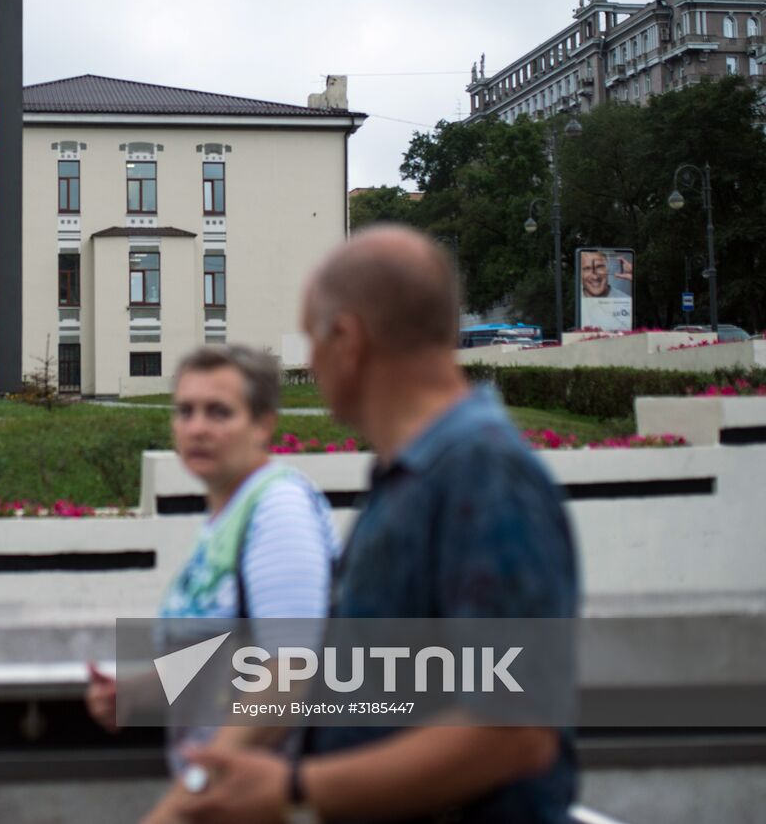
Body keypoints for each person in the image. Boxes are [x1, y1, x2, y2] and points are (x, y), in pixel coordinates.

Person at [175, 226, 580, 824]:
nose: (310, 360)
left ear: (347, 340)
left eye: (312, 338)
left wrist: (294, 786)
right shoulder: (414, 473)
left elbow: (516, 730)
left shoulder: (482, 471)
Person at [85, 344, 338, 824]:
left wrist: (185, 801)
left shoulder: (278, 509)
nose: (197, 427)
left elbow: (290, 673)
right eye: (185, 411)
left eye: (219, 412)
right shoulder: (228, 515)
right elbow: (225, 660)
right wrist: (138, 693)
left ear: (263, 423)